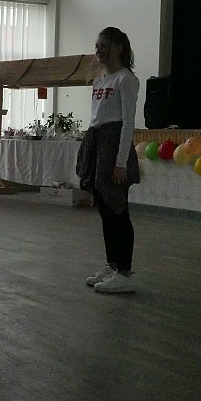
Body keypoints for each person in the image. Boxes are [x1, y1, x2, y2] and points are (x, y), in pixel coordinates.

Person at [77, 26, 140, 293]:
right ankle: (112, 264)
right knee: (104, 207)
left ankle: (124, 271)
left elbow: (127, 123)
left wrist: (120, 162)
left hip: (114, 147)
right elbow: (97, 118)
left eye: (104, 45)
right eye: (97, 46)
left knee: (118, 209)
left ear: (119, 47)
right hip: (98, 143)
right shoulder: (100, 80)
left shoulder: (126, 79)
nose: (99, 50)